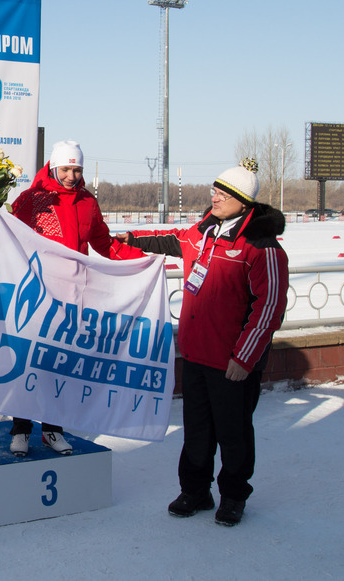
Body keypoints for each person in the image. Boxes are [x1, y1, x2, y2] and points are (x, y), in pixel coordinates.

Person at [118, 158, 288, 527]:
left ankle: (233, 495)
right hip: (196, 353)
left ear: (243, 201)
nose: (215, 197)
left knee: (233, 432)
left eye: (223, 193)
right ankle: (195, 490)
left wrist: (244, 358)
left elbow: (269, 307)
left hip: (231, 361)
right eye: (214, 190)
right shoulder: (204, 232)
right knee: (196, 429)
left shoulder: (262, 246)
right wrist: (133, 240)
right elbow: (174, 241)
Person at [5, 140, 147, 457]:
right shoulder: (31, 199)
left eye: (77, 169)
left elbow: (104, 244)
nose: (71, 175)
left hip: (73, 299)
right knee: (32, 364)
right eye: (66, 168)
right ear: (54, 167)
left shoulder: (87, 203)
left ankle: (53, 430)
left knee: (60, 367)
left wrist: (141, 260)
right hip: (38, 296)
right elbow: (10, 237)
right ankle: (21, 430)